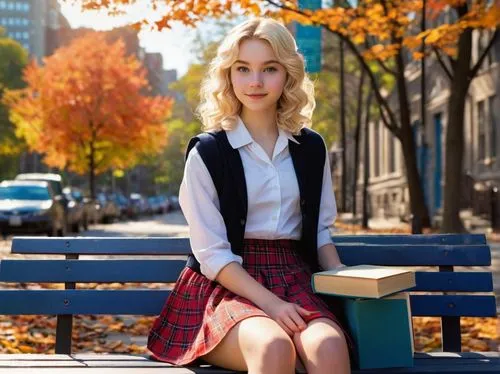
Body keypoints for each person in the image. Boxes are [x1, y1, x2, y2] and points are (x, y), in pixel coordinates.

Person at [148, 17, 352, 374]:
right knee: (273, 347)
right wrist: (271, 305)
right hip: (226, 284)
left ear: (287, 74)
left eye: (269, 69)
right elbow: (212, 255)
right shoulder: (207, 153)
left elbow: (320, 232)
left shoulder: (311, 148)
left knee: (330, 348)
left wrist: (344, 277)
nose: (255, 82)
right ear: (228, 75)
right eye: (243, 69)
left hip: (294, 276)